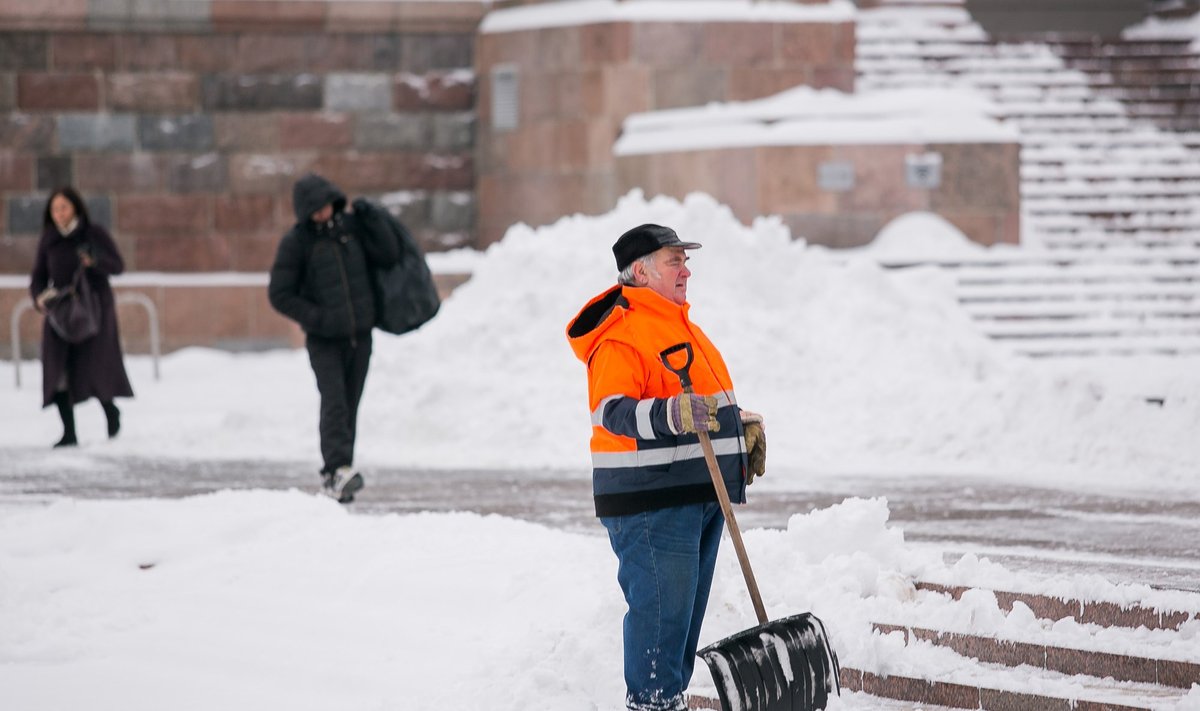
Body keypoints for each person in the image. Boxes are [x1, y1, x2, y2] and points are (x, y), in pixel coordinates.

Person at [566, 223, 766, 711]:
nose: (686, 270)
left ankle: (668, 700)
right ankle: (652, 704)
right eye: (674, 260)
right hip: (651, 501)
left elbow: (697, 405)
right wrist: (673, 414)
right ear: (640, 270)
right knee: (662, 618)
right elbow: (612, 411)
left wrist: (737, 430)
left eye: (685, 260)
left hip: (698, 493)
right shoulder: (621, 333)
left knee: (683, 622)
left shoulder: (680, 326)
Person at [268, 173, 399, 504]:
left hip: (360, 335)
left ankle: (343, 470)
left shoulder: (351, 229)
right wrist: (317, 319)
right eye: (315, 210)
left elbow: (388, 254)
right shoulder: (297, 243)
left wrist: (375, 219)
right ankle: (334, 469)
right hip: (325, 340)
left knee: (350, 402)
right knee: (335, 402)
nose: (323, 214)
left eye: (326, 206)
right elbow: (279, 294)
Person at [29, 187, 134, 448]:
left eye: (63, 207)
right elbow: (38, 275)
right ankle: (69, 431)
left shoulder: (93, 234)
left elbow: (117, 266)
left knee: (96, 366)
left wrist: (94, 261)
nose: (59, 214)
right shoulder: (49, 239)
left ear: (75, 207)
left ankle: (110, 411)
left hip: (93, 310)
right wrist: (39, 297)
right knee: (59, 370)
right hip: (61, 313)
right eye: (55, 209)